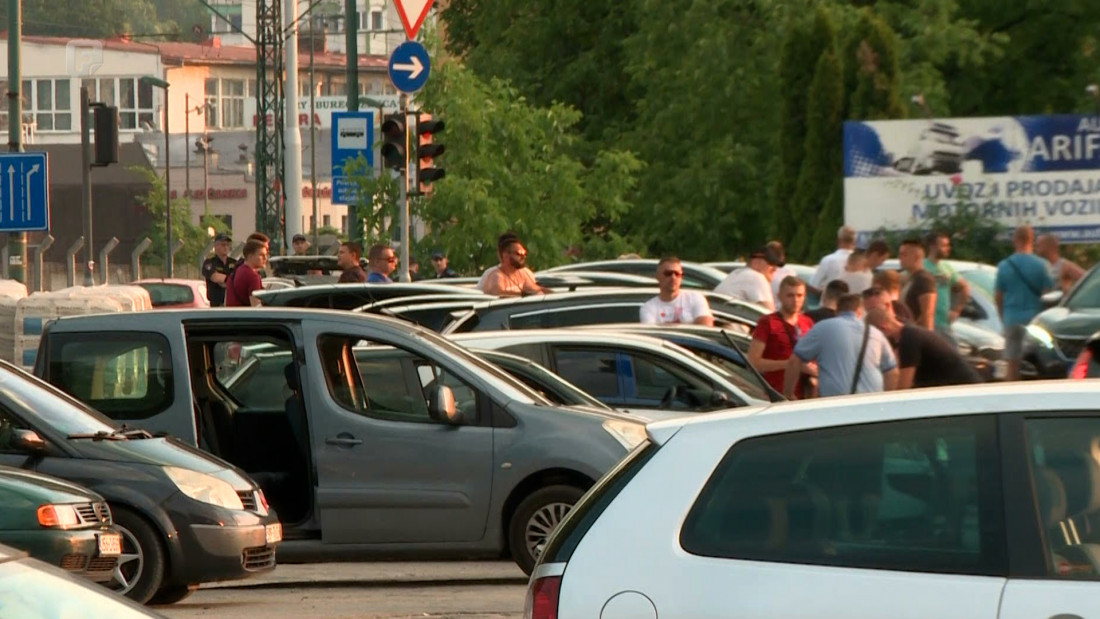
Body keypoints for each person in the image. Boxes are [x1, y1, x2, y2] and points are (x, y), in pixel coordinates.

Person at [784, 293, 898, 398]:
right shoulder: (875, 333)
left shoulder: (822, 328)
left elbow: (795, 361)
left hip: (836, 402)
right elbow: (892, 372)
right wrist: (883, 398)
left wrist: (788, 394)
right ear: (859, 312)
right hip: (869, 402)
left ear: (836, 311)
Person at [866, 306, 981, 388]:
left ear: (883, 328)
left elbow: (903, 385)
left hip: (962, 389)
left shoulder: (909, 338)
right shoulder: (909, 333)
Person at [996, 225, 1054, 381]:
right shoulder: (1042, 265)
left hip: (1012, 318)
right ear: (1031, 240)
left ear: (1015, 240)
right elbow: (1049, 293)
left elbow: (998, 296)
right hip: (1036, 321)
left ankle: (1011, 398)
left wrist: (1003, 317)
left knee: (1012, 364)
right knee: (1038, 362)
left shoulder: (1004, 266)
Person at [749, 276, 816, 398]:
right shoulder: (768, 322)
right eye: (790, 295)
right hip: (778, 394)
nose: (795, 300)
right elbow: (754, 362)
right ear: (780, 296)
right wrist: (792, 364)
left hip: (805, 395)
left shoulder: (807, 322)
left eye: (799, 295)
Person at [640, 256, 714, 326]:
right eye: (668, 273)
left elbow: (706, 325)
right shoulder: (648, 308)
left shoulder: (695, 298)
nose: (673, 277)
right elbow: (652, 335)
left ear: (681, 277)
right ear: (657, 277)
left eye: (677, 274)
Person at [924, 231, 969, 344]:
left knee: (953, 355)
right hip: (927, 322)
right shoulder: (921, 266)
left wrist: (956, 310)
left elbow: (964, 287)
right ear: (933, 246)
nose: (947, 248)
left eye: (948, 245)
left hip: (944, 322)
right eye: (943, 245)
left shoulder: (947, 267)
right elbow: (901, 281)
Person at [479, 235, 549, 296]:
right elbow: (498, 293)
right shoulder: (495, 276)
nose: (523, 257)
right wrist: (524, 295)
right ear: (506, 256)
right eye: (519, 253)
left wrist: (552, 294)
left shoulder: (523, 273)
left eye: (524, 253)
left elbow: (533, 289)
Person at [714, 246, 777, 311]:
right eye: (771, 262)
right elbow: (770, 314)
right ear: (755, 262)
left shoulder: (736, 273)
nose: (775, 268)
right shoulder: (756, 277)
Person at [899, 238, 936, 330]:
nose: (900, 258)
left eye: (904, 254)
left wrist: (926, 340)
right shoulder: (912, 278)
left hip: (918, 335)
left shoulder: (924, 280)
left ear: (916, 257)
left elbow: (927, 314)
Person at [809, 225, 857, 296]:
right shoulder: (863, 263)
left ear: (839, 240)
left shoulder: (828, 260)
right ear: (854, 242)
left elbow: (814, 285)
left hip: (832, 303)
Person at [225, 239, 267, 307]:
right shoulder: (253, 276)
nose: (265, 258)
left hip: (231, 315)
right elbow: (256, 307)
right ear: (250, 256)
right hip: (245, 316)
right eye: (261, 255)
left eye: (266, 255)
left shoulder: (236, 270)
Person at [201, 233, 237, 307]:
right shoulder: (210, 262)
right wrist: (231, 280)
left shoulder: (234, 263)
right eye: (223, 245)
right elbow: (215, 277)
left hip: (232, 303)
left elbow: (239, 279)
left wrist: (225, 281)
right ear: (216, 246)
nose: (226, 247)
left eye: (228, 245)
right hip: (216, 304)